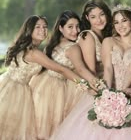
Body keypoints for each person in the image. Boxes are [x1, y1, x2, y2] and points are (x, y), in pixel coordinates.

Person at [50, 4, 131, 140]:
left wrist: (122, 97)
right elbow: (107, 68)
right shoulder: (108, 41)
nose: (120, 25)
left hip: (129, 92)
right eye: (116, 22)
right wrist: (107, 94)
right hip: (106, 91)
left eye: (124, 21)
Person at [0, 15, 83, 140]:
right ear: (29, 29)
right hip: (15, 92)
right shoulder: (34, 53)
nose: (42, 30)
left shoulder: (29, 48)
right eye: (37, 27)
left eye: (45, 27)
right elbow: (60, 69)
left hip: (10, 85)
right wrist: (84, 83)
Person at [29, 11, 98, 139]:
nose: (75, 31)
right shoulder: (73, 47)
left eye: (77, 26)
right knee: (54, 128)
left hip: (41, 85)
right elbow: (82, 70)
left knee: (40, 126)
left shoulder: (51, 45)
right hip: (56, 90)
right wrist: (97, 85)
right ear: (61, 28)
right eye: (70, 27)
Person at [77, 0, 112, 79]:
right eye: (93, 17)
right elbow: (91, 72)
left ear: (107, 14)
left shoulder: (109, 36)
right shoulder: (87, 36)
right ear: (87, 17)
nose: (99, 20)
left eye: (102, 14)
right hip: (97, 85)